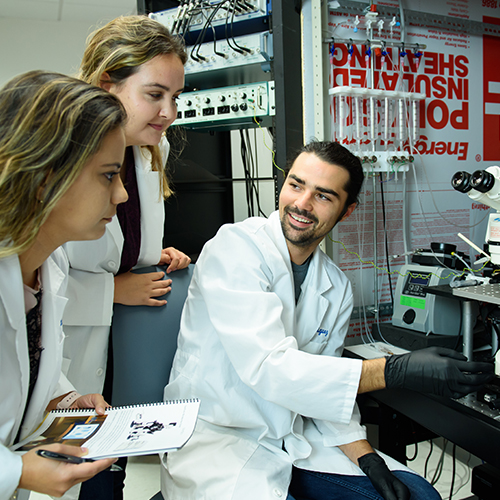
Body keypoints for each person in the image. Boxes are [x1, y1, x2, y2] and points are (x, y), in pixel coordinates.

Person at [160, 140, 494, 500]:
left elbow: (326, 390)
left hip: (296, 437)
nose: (302, 204)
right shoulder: (235, 247)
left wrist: (367, 458)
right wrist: (395, 370)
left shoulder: (335, 286)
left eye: (323, 196)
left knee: (419, 496)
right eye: (296, 185)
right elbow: (270, 368)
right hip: (219, 437)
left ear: (346, 211)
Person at [60, 14, 192, 500]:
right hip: (72, 351)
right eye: (155, 94)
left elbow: (119, 237)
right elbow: (33, 282)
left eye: (175, 97)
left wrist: (150, 255)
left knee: (110, 466)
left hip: (124, 346)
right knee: (74, 472)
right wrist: (113, 289)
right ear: (106, 85)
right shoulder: (64, 160)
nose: (168, 112)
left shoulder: (148, 149)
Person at [0, 70, 128, 499]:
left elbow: (24, 366)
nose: (121, 195)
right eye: (108, 175)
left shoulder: (48, 261)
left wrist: (65, 401)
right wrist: (16, 471)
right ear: (43, 177)